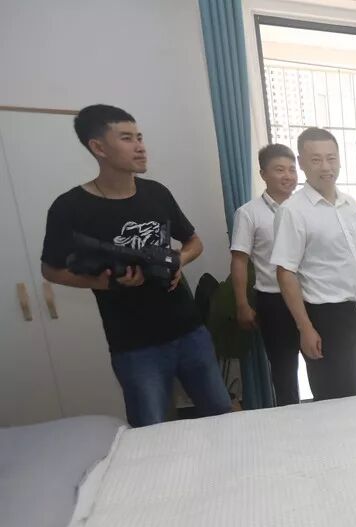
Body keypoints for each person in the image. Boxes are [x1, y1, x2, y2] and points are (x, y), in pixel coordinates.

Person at [40, 104, 232, 427]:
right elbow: (51, 270)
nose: (140, 146)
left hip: (190, 332)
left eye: (139, 137)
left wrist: (178, 261)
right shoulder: (70, 207)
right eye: (127, 138)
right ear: (98, 147)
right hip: (134, 346)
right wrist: (107, 283)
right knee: (150, 432)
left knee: (222, 418)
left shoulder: (156, 193)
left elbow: (194, 242)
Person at [270, 127, 356, 401]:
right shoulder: (293, 211)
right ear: (302, 163)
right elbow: (285, 273)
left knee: (355, 393)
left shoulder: (350, 204)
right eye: (316, 159)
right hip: (324, 317)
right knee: (330, 401)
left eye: (331, 158)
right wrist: (305, 328)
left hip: (355, 315)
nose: (326, 166)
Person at [230, 143, 300, 405]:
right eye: (280, 169)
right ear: (263, 174)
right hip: (274, 301)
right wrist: (242, 304)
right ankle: (290, 420)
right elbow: (239, 260)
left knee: (320, 363)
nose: (288, 176)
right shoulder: (249, 213)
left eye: (292, 169)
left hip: (309, 297)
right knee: (284, 371)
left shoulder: (303, 207)